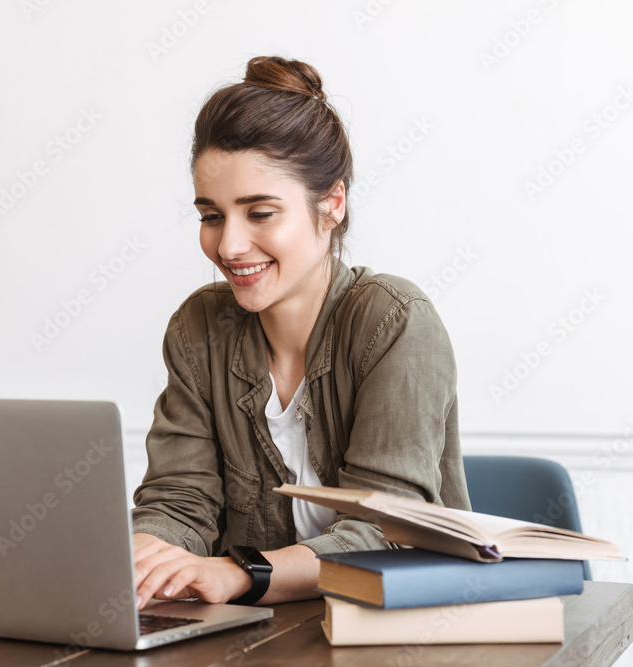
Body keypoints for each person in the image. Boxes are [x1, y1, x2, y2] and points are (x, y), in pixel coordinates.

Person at [131, 55, 470, 609]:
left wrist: (240, 574)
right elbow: (178, 502)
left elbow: (389, 531)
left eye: (260, 213)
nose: (229, 246)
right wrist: (147, 559)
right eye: (211, 216)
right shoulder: (198, 328)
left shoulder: (396, 322)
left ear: (331, 205)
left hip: (397, 637)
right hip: (259, 638)